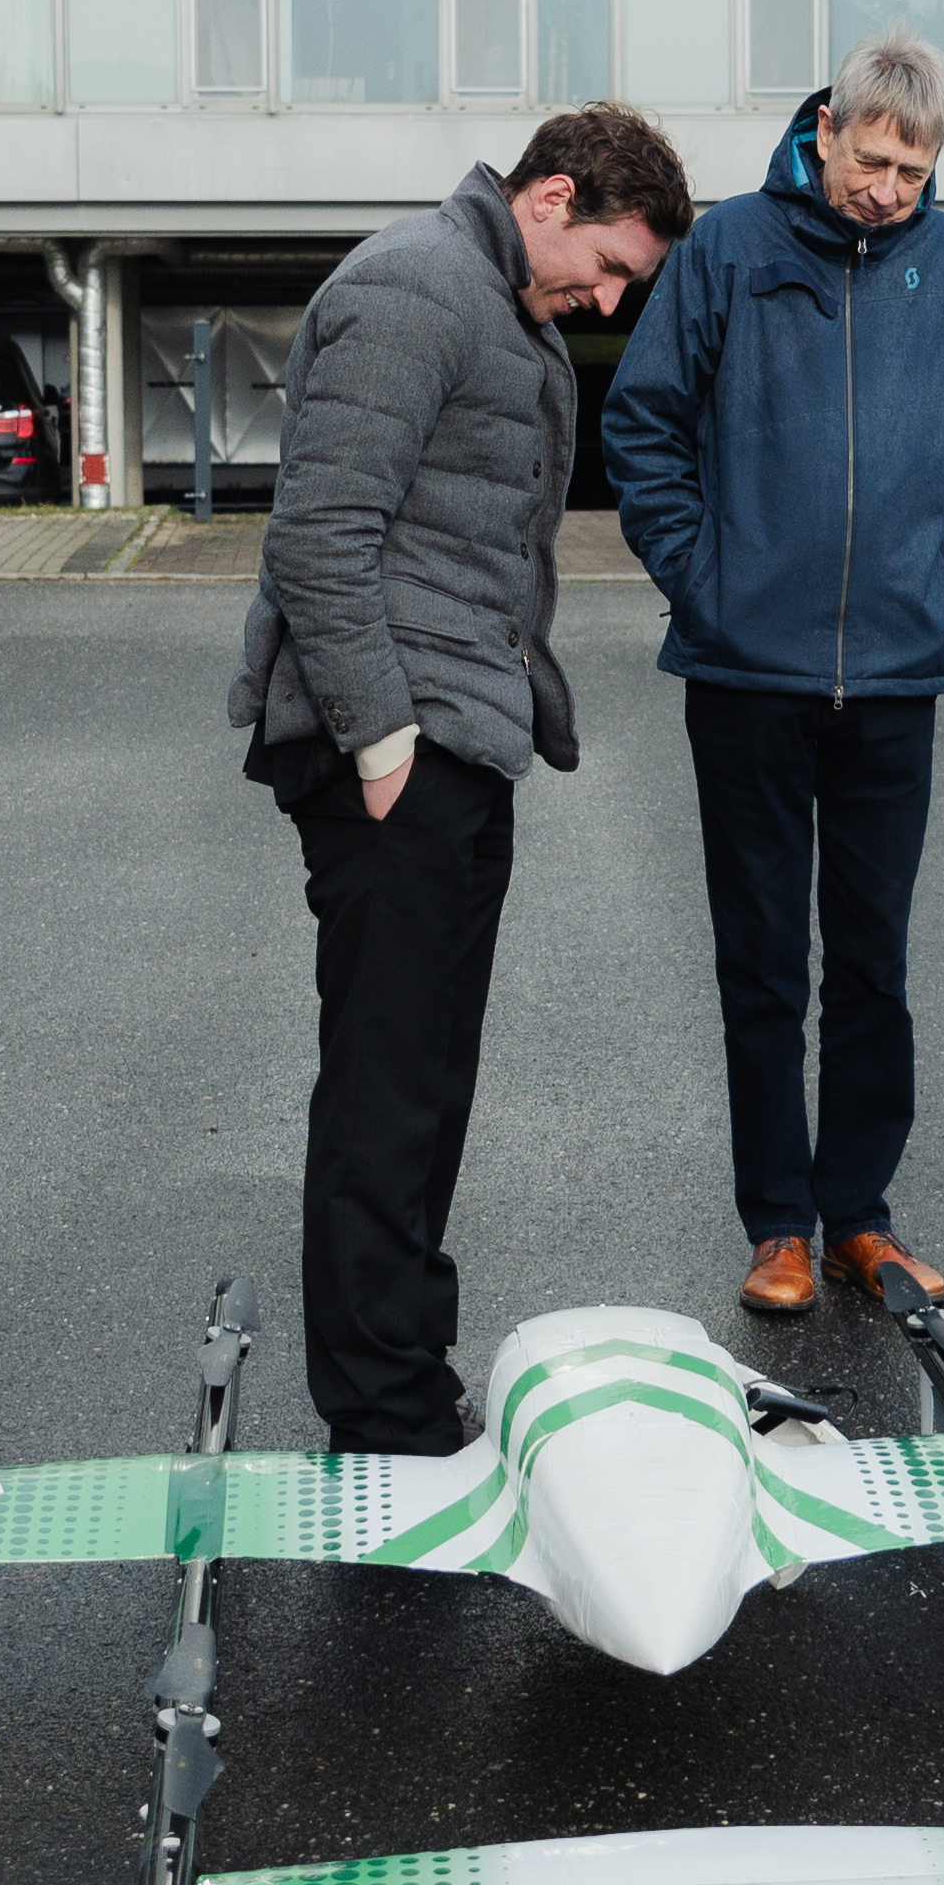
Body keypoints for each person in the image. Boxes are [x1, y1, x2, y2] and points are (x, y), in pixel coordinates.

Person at [229, 108, 695, 1453]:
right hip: (398, 743)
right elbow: (320, 532)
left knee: (424, 1080)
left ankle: (405, 1381)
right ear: (548, 195)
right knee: (387, 1083)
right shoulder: (411, 286)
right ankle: (382, 1411)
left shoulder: (495, 301)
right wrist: (381, 740)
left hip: (458, 736)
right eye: (606, 263)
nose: (606, 298)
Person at [602, 30, 944, 1318]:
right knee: (761, 967)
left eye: (915, 168)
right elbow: (641, 422)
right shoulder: (731, 249)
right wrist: (704, 576)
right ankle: (776, 1225)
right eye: (875, 158)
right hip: (745, 674)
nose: (890, 189)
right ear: (827, 130)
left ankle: (859, 1215)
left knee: (872, 963)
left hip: (896, 678)